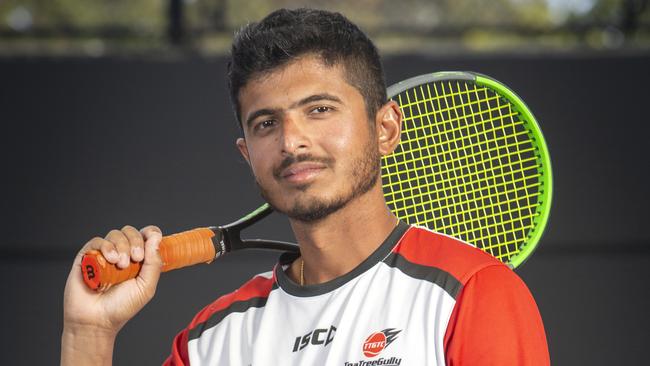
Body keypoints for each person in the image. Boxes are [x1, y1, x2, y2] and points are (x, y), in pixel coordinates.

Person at [61, 8, 550, 365]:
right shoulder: (210, 340)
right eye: (267, 123)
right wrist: (89, 334)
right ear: (246, 154)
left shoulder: (471, 294)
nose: (292, 141)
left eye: (319, 109)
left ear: (386, 129)